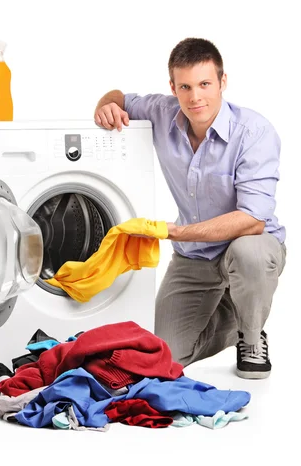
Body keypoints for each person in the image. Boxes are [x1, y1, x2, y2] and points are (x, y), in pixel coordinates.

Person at [93, 38, 286, 379]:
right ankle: (236, 315)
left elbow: (253, 220)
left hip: (249, 246)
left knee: (250, 253)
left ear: (222, 82)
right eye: (185, 86)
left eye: (204, 84)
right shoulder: (162, 111)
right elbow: (119, 97)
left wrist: (173, 231)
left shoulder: (254, 132)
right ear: (173, 87)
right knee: (164, 359)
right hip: (194, 256)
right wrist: (105, 105)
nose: (195, 97)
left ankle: (251, 335)